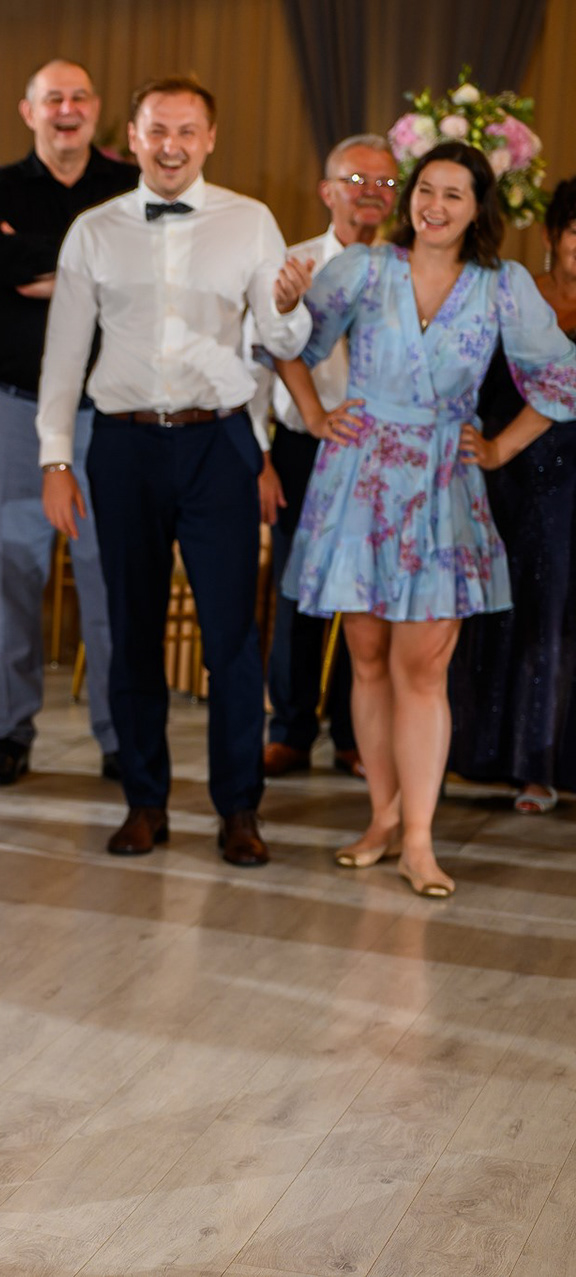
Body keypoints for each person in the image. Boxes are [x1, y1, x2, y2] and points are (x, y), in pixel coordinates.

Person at [276, 142, 576, 897]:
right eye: (426, 190)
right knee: (367, 658)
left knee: (424, 668)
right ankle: (381, 818)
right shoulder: (364, 268)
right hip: (360, 479)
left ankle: (418, 840)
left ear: (478, 209)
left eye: (454, 194)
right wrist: (313, 413)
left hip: (444, 486)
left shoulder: (503, 285)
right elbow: (291, 345)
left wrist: (501, 447)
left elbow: (561, 377)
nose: (434, 206)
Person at [37, 75, 308, 866]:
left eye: (187, 130)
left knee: (231, 637)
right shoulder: (93, 230)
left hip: (218, 442)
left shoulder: (250, 221)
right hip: (121, 446)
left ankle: (239, 809)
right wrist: (56, 457)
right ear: (132, 136)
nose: (171, 145)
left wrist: (289, 303)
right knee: (132, 630)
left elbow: (281, 342)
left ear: (210, 138)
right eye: (157, 129)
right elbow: (63, 356)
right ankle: (144, 801)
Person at [0, 58, 137, 787]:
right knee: (11, 576)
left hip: (108, 416)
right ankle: (9, 732)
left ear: (95, 107)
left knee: (110, 579)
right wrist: (88, 268)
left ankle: (121, 737)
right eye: (52, 98)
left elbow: (135, 275)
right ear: (28, 110)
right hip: (10, 409)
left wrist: (40, 264)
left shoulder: (130, 186)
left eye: (79, 96)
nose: (67, 109)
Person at [248, 136, 396, 782]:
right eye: (357, 179)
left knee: (368, 595)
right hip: (304, 445)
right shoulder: (293, 264)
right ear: (326, 189)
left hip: (382, 453)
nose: (372, 193)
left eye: (386, 183)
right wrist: (260, 457)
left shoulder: (407, 267)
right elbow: (258, 363)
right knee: (299, 588)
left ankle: (354, 734)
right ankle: (290, 729)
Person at [449, 179, 576, 814]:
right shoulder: (513, 293)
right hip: (501, 473)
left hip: (569, 480)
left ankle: (540, 766)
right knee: (496, 607)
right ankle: (479, 753)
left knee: (557, 615)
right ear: (552, 235)